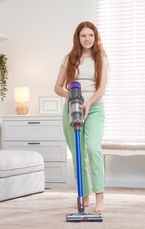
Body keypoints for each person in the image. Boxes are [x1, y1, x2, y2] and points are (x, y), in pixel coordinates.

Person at [54, 21, 109, 213]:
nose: (87, 39)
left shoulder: (100, 57)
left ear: (95, 37)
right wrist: (72, 96)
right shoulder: (69, 58)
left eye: (91, 35)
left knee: (93, 149)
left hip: (93, 108)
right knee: (78, 153)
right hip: (73, 108)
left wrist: (89, 102)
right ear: (78, 38)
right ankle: (84, 198)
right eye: (83, 35)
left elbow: (101, 88)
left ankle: (99, 197)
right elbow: (57, 87)